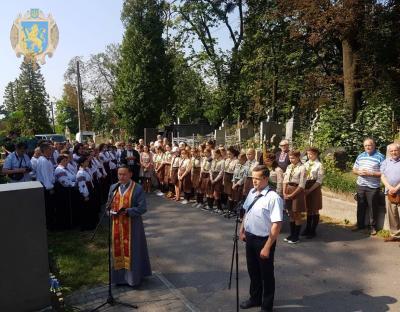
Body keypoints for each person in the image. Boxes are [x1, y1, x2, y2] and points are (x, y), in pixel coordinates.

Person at [239, 165, 283, 312]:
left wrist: (267, 246)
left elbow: (276, 225)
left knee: (266, 274)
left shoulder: (273, 198)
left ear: (265, 179)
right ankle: (255, 298)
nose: (254, 182)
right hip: (250, 238)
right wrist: (242, 229)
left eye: (257, 179)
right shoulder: (252, 192)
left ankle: (267, 305)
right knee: (253, 271)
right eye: (253, 178)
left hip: (264, 240)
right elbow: (247, 212)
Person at [108, 165, 152, 287]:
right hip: (117, 225)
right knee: (118, 250)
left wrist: (128, 211)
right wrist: (109, 212)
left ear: (130, 174)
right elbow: (109, 204)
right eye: (119, 174)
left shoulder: (137, 188)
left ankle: (133, 279)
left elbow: (142, 208)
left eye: (124, 174)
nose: (121, 177)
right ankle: (119, 279)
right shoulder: (113, 187)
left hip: (133, 226)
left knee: (134, 251)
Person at [352, 138, 385, 235]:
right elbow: (354, 169)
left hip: (373, 186)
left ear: (374, 145)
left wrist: (372, 173)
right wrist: (358, 172)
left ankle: (372, 227)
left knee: (373, 207)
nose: (367, 147)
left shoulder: (380, 156)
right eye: (365, 145)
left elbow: (383, 172)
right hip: (361, 184)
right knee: (360, 206)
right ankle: (360, 225)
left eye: (369, 145)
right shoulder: (360, 156)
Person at [283, 150, 306, 244]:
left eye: (293, 158)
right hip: (288, 189)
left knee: (297, 214)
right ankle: (291, 234)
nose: (291, 160)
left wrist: (292, 194)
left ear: (298, 157)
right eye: (290, 158)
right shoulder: (289, 166)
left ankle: (296, 236)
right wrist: (284, 192)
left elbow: (302, 184)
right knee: (290, 213)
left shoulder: (302, 168)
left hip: (297, 191)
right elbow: (285, 180)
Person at [302, 147, 324, 239]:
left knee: (314, 209)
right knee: (309, 209)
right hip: (306, 185)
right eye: (308, 154)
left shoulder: (319, 165)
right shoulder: (306, 164)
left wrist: (310, 190)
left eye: (311, 154)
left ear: (316, 154)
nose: (309, 156)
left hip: (314, 187)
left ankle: (313, 230)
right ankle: (307, 228)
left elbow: (319, 180)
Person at [380, 143, 400, 240]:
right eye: (391, 151)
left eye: (395, 150)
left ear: (399, 151)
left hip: (398, 191)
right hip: (390, 193)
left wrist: (396, 188)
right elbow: (383, 176)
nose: (393, 152)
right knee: (392, 215)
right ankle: (395, 235)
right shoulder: (385, 162)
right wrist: (389, 187)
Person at [36, 143, 56, 230]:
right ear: (45, 150)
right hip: (46, 187)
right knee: (49, 207)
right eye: (50, 149)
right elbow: (45, 176)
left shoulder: (45, 160)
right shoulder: (43, 161)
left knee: (50, 207)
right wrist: (50, 188)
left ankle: (50, 223)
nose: (51, 151)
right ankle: (50, 225)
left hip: (48, 185)